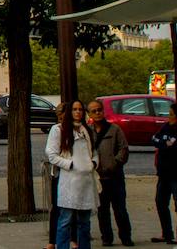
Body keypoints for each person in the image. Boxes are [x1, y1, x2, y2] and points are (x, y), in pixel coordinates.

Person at [47, 99, 98, 249]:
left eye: (80, 109)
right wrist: (70, 164)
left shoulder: (86, 130)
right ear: (69, 112)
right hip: (69, 181)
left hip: (85, 181)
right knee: (65, 220)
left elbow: (93, 152)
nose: (77, 112)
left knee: (84, 222)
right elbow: (51, 154)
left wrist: (93, 163)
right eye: (74, 109)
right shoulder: (58, 129)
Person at [88, 100, 133, 246]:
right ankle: (106, 238)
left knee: (120, 209)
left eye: (99, 110)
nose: (97, 113)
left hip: (115, 176)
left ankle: (126, 237)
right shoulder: (88, 131)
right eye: (93, 111)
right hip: (98, 178)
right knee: (102, 211)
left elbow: (124, 149)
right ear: (89, 114)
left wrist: (115, 163)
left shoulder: (115, 130)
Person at [151, 101, 177, 245]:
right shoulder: (166, 127)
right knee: (160, 202)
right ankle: (166, 233)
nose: (169, 117)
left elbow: (173, 144)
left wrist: (166, 142)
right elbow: (155, 139)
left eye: (172, 115)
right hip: (163, 173)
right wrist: (165, 141)